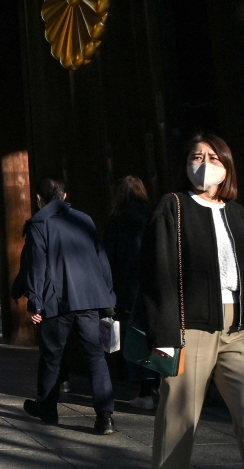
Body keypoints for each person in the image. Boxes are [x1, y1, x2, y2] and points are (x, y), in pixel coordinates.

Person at [139, 134, 244, 469]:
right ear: (186, 164)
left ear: (227, 166)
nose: (205, 164)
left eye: (214, 158)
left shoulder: (238, 214)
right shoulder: (172, 206)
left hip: (239, 331)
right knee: (179, 421)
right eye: (197, 157)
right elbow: (156, 274)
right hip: (188, 329)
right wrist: (164, 337)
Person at [22, 177, 117, 435]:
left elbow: (36, 266)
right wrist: (108, 295)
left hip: (56, 300)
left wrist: (35, 302)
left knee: (52, 356)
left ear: (39, 199)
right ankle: (105, 416)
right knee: (95, 357)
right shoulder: (84, 220)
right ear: (65, 196)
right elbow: (101, 258)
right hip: (89, 299)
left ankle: (48, 408)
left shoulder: (39, 224)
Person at [103, 175, 158, 409]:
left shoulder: (116, 223)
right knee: (155, 335)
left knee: (134, 338)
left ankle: (144, 392)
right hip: (153, 287)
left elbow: (107, 260)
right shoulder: (153, 218)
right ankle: (157, 383)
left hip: (126, 289)